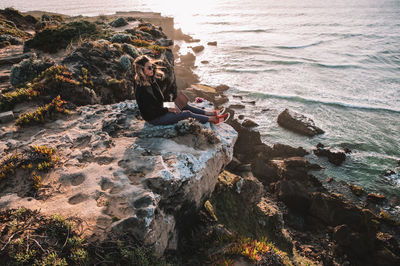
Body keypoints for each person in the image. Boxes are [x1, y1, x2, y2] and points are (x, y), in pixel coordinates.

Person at [133, 55, 229, 125]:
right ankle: (213, 119)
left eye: (153, 67)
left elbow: (159, 100)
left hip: (160, 108)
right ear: (141, 70)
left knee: (182, 103)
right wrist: (169, 109)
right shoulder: (142, 89)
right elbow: (151, 111)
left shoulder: (150, 80)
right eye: (149, 68)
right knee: (186, 114)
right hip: (154, 118)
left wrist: (172, 104)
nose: (152, 70)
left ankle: (211, 113)